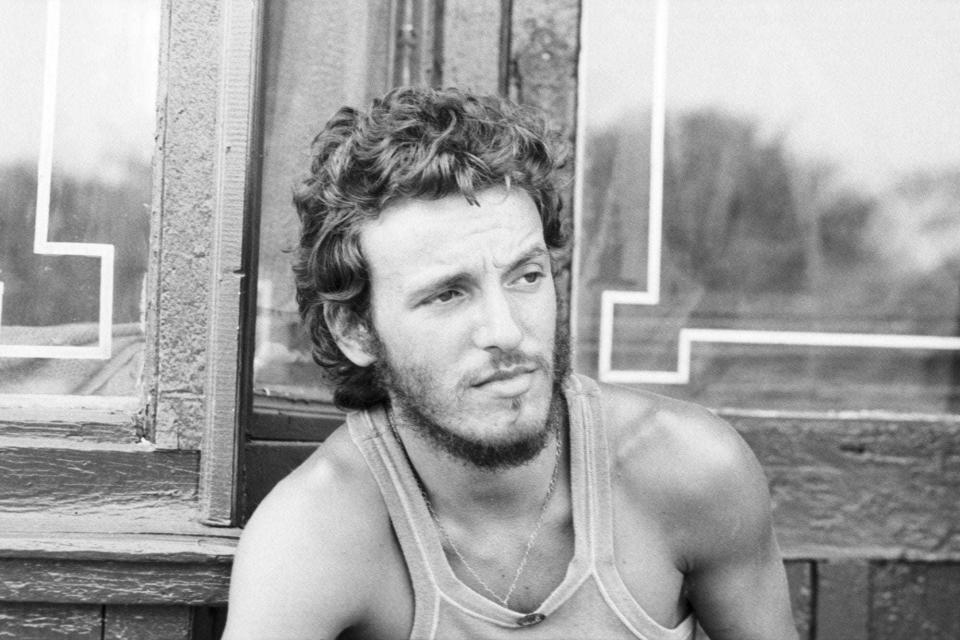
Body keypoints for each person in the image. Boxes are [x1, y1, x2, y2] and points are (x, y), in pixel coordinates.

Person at [223, 86, 797, 640]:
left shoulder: (689, 469)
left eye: (526, 277)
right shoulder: (314, 535)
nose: (505, 331)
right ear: (355, 330)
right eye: (448, 294)